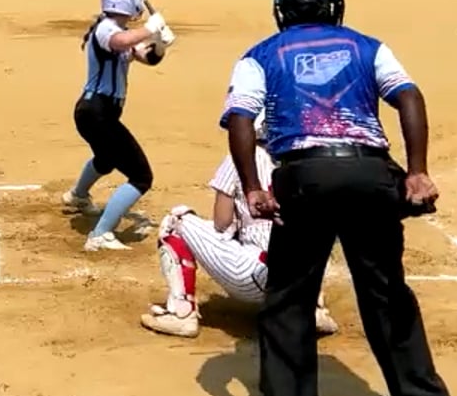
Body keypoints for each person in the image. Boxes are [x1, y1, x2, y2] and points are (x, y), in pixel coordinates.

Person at [221, 0, 455, 396]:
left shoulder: (260, 55)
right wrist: (416, 171)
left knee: (290, 296)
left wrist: (252, 187)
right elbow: (408, 96)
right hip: (370, 175)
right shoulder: (367, 46)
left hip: (303, 179)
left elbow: (241, 117)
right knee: (386, 293)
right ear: (335, 10)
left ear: (282, 15)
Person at [140, 137, 341, 339]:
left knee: (175, 221)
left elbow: (222, 222)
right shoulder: (306, 157)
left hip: (253, 274)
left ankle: (181, 314)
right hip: (300, 277)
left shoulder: (240, 157)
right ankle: (312, 309)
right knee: (313, 231)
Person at [60, 0, 175, 252]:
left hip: (99, 114)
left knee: (106, 158)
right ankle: (100, 234)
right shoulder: (106, 29)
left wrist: (159, 43)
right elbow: (120, 41)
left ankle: (77, 196)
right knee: (141, 176)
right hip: (96, 113)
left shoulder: (119, 32)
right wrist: (150, 27)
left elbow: (147, 57)